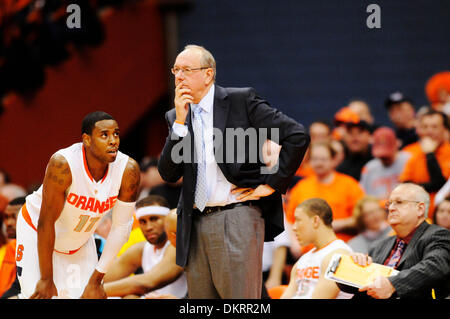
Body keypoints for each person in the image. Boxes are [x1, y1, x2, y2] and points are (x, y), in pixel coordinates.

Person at [158, 44, 310, 299]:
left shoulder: (240, 100)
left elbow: (296, 135)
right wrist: (180, 124)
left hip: (236, 214)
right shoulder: (176, 116)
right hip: (193, 223)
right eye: (176, 70)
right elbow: (168, 173)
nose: (179, 76)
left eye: (186, 69)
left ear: (208, 74)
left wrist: (272, 184)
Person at [15, 111, 140, 299]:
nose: (113, 140)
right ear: (87, 140)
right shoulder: (63, 165)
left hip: (79, 243)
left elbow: (122, 227)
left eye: (116, 134)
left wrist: (97, 279)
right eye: (104, 135)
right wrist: (47, 279)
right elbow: (46, 222)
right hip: (37, 233)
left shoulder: (127, 171)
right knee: (39, 295)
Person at [347, 183, 450, 299]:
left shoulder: (439, 236)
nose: (391, 208)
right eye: (389, 203)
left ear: (420, 209)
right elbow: (354, 287)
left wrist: (393, 284)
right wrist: (353, 267)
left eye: (399, 202)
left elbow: (435, 266)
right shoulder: (379, 246)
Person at [103, 195, 187, 298]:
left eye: (154, 219)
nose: (148, 227)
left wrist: (94, 292)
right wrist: (85, 288)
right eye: (143, 222)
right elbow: (103, 278)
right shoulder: (141, 249)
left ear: (167, 220)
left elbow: (147, 282)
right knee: (130, 297)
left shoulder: (176, 247)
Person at [286, 142, 364, 242]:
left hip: (341, 246)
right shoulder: (301, 187)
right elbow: (289, 221)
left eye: (323, 159)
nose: (319, 163)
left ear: (333, 160)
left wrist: (329, 225)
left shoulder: (349, 185)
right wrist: (294, 242)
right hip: (307, 250)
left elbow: (361, 219)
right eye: (315, 159)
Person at [281, 198, 353, 299]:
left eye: (298, 220)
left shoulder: (340, 255)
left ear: (315, 221)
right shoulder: (301, 261)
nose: (294, 227)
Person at [399, 109, 450, 218]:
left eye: (434, 127)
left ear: (445, 130)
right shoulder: (412, 152)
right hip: (416, 217)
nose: (429, 131)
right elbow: (405, 187)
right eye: (425, 127)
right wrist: (428, 186)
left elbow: (440, 185)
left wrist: (430, 154)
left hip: (443, 217)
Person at [360, 127, 411, 200]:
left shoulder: (408, 160)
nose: (384, 159)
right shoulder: (369, 168)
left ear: (397, 144)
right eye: (381, 157)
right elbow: (365, 198)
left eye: (387, 156)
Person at [0, 197, 25, 296]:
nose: (8, 223)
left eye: (14, 217)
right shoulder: (12, 247)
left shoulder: (38, 245)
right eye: (6, 217)